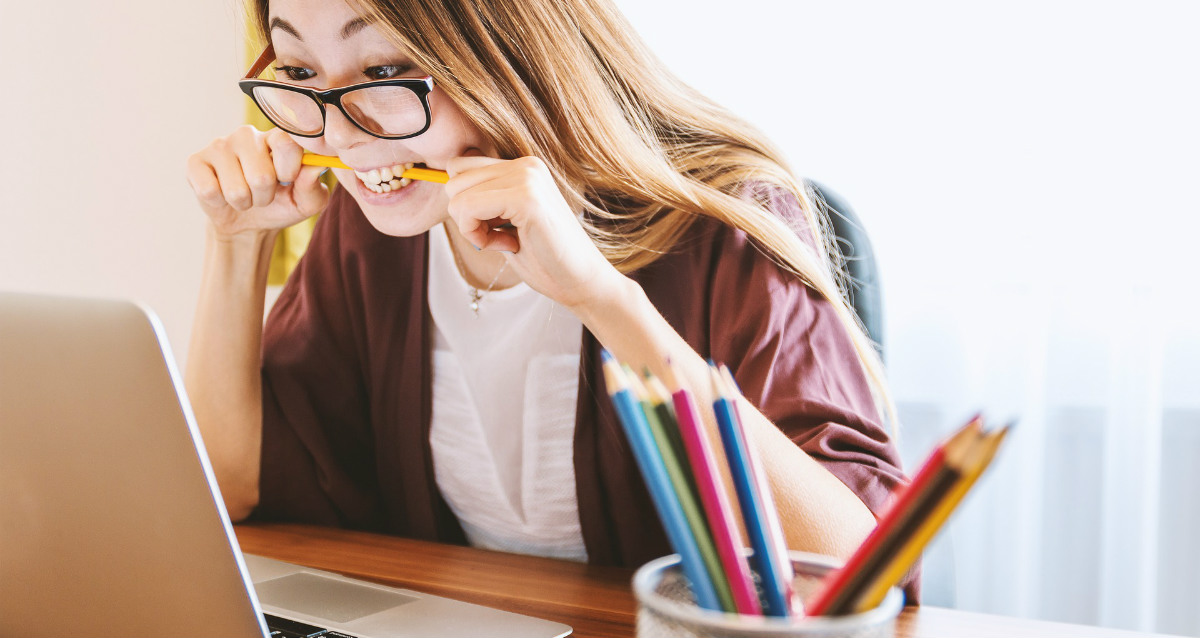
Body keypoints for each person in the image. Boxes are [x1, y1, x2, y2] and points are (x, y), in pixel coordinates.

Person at [185, 0, 914, 595]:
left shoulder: (723, 223)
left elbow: (856, 570)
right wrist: (236, 242)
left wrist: (601, 298)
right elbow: (230, 487)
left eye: (384, 69)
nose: (340, 134)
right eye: (301, 71)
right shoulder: (371, 229)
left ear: (507, 51)